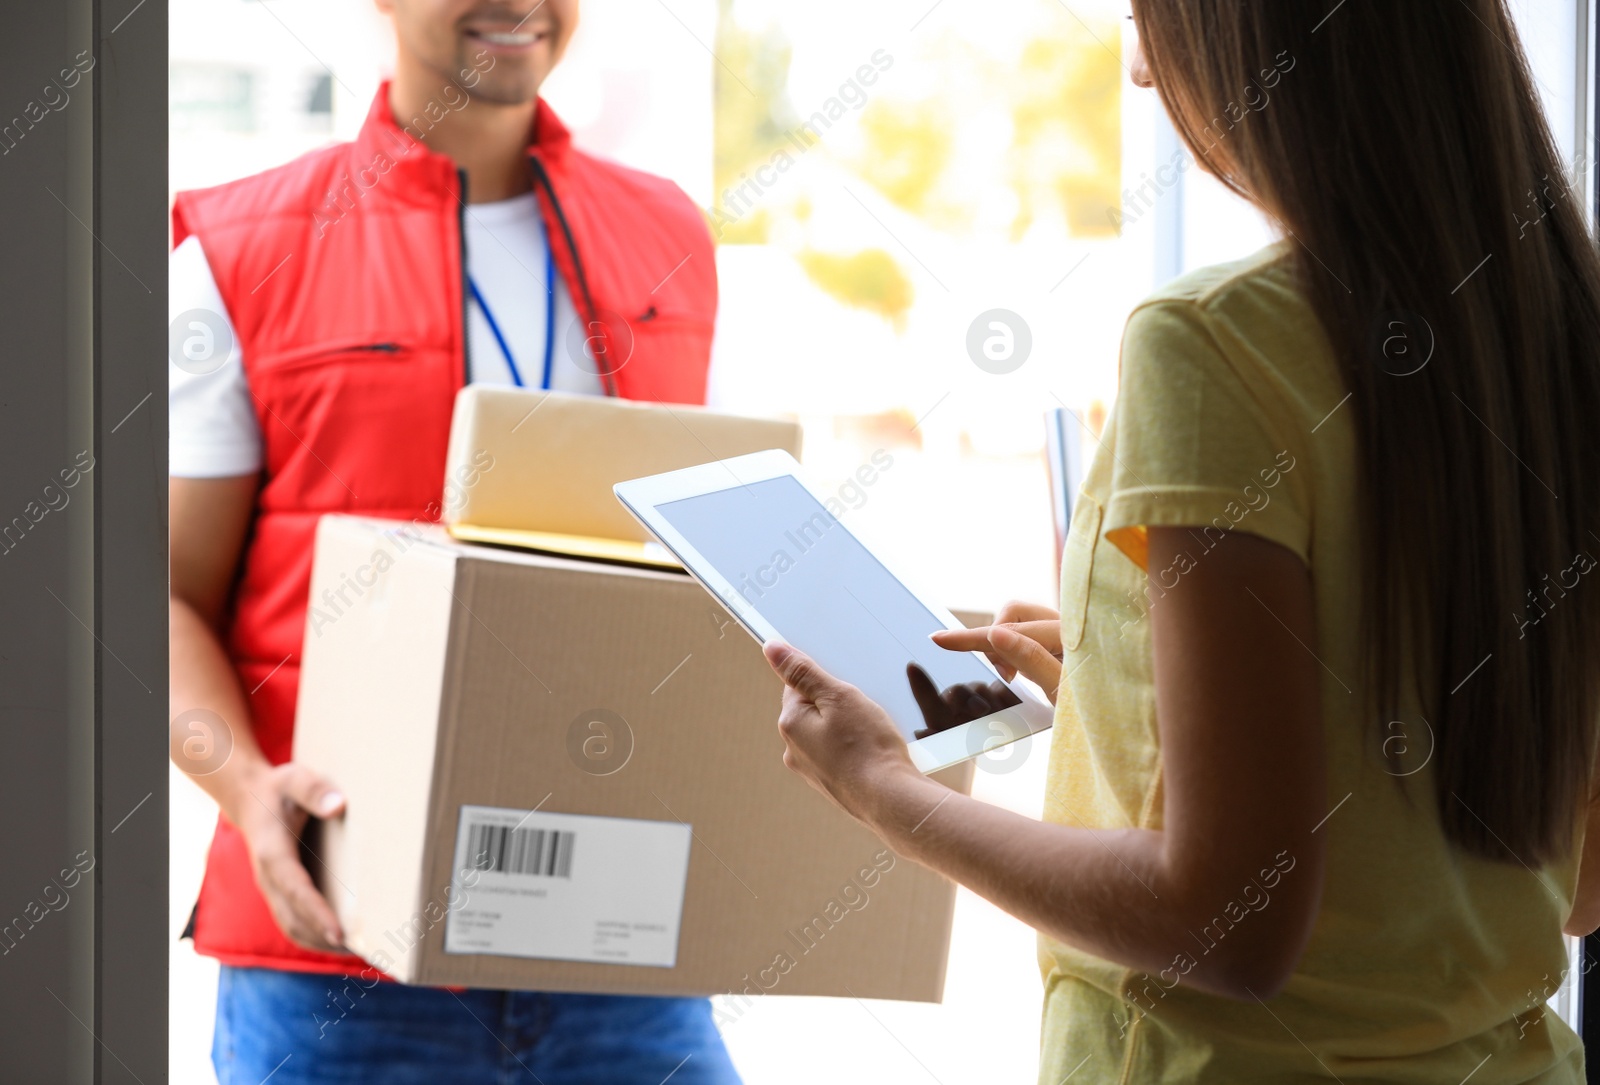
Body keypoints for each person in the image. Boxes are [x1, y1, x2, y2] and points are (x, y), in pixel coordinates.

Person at [762, 2, 1600, 1082]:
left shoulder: (1207, 342)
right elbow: (1568, 882)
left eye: (1153, 21)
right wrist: (1134, 703)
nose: (1144, 73)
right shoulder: (1560, 336)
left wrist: (888, 790)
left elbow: (1228, 924)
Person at [167, 2, 736, 1082]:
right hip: (337, 959)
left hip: (619, 947)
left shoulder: (669, 236)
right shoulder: (238, 251)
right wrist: (248, 789)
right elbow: (160, 598)